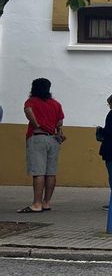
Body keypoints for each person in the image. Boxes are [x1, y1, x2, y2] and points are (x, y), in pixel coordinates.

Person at [19, 78, 65, 213]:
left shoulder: (31, 102)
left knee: (38, 172)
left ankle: (36, 204)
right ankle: (46, 203)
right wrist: (57, 133)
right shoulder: (56, 104)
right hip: (53, 139)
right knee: (51, 173)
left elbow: (28, 112)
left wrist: (37, 125)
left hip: (38, 137)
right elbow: (60, 122)